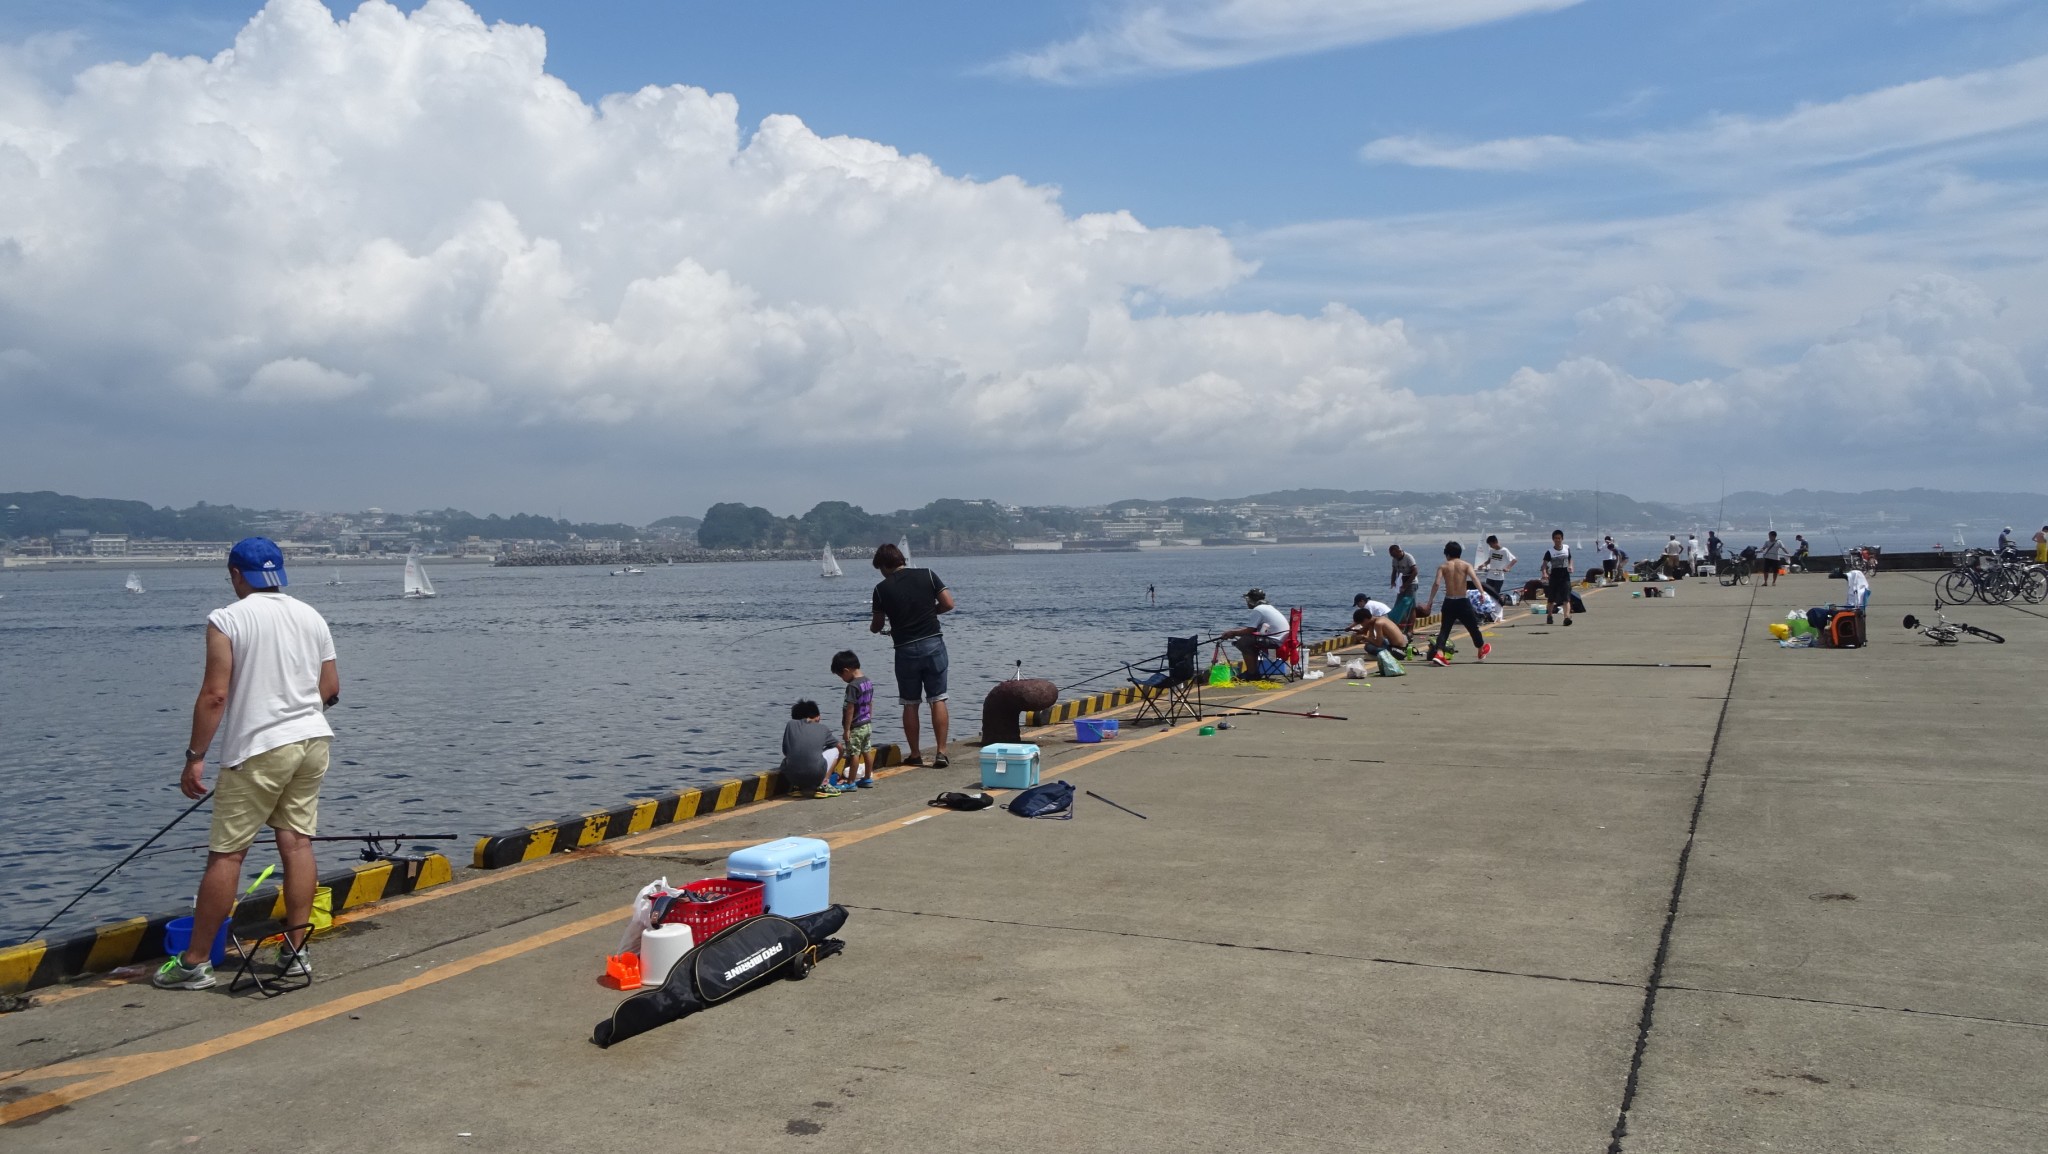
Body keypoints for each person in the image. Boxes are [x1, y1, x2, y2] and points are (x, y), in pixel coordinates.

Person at [155, 538, 338, 991]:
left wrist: (194, 758)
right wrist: (295, 717)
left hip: (258, 750)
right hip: (312, 741)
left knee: (228, 853)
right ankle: (296, 954)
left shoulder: (227, 619)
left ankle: (195, 963)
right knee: (296, 845)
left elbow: (215, 695)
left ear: (236, 574)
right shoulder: (311, 615)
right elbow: (330, 687)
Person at [869, 542, 956, 769]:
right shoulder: (927, 574)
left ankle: (915, 754)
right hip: (933, 644)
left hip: (905, 649)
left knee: (910, 703)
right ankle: (941, 752)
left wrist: (876, 627)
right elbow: (948, 603)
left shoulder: (880, 589)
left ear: (884, 566)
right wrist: (930, 611)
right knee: (937, 698)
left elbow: (877, 625)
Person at [1421, 542, 1491, 666]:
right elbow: (1475, 579)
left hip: (1449, 601)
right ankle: (1480, 649)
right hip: (1462, 601)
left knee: (1445, 629)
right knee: (1473, 627)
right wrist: (1482, 593)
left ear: (1447, 554)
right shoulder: (1466, 565)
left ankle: (1439, 654)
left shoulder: (1443, 566)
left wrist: (1430, 601)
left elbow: (1437, 584)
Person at [830, 650, 875, 790]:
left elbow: (850, 708)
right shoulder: (867, 681)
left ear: (846, 670)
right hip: (867, 723)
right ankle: (867, 778)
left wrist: (847, 729)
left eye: (841, 675)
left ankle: (850, 782)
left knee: (854, 753)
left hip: (856, 725)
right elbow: (870, 702)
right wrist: (869, 717)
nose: (842, 679)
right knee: (866, 750)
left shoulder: (852, 686)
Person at [780, 700, 843, 798]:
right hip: (815, 775)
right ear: (818, 717)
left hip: (792, 776)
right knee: (835, 749)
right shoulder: (822, 728)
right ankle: (824, 784)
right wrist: (834, 767)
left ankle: (797, 787)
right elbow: (840, 748)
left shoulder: (790, 725)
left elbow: (786, 751)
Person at [1222, 588, 1290, 677]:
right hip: (1282, 638)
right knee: (1249, 640)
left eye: (1247, 600)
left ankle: (1252, 673)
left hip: (1275, 641)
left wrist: (1233, 633)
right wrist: (1235, 632)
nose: (1247, 602)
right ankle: (1254, 671)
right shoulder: (1268, 607)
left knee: (1243, 642)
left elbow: (1250, 630)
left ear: (1251, 600)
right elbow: (1253, 629)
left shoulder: (1258, 609)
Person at [1541, 530, 1574, 626]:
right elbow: (1544, 565)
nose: (1557, 540)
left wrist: (1571, 566)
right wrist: (1544, 573)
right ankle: (1549, 615)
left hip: (1565, 575)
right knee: (1551, 598)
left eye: (1559, 538)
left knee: (1566, 598)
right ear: (1553, 539)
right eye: (1555, 538)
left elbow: (1570, 558)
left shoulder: (1566, 548)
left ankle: (1566, 617)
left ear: (1562, 539)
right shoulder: (1550, 552)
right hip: (1555, 575)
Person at [1474, 535, 1516, 604]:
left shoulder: (1504, 550)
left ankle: (1496, 605)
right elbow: (1489, 560)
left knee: (1496, 592)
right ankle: (1488, 605)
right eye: (1489, 545)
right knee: (1487, 591)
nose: (1490, 546)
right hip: (1490, 575)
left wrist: (1508, 567)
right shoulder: (1491, 550)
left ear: (1496, 542)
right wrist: (1483, 565)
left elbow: (1514, 560)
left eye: (1491, 544)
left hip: (1499, 577)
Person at [1387, 546, 1420, 630]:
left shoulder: (1408, 557)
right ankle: (1400, 626)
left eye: (1395, 555)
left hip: (1411, 583)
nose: (1394, 557)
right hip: (1401, 583)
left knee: (1411, 606)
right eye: (1392, 555)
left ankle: (1410, 629)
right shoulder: (1394, 559)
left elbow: (1415, 571)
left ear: (1399, 551)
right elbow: (1394, 571)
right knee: (1399, 604)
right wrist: (1392, 581)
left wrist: (1406, 585)